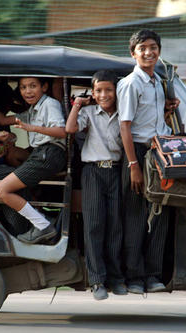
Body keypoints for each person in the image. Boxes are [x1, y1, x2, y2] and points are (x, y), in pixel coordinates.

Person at [117, 29, 179, 294]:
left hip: (160, 154)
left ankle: (153, 276)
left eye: (153, 47)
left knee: (162, 214)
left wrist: (168, 110)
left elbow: (154, 120)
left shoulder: (158, 82)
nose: (149, 52)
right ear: (133, 53)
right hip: (138, 155)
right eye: (143, 48)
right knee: (135, 217)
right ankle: (133, 277)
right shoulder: (131, 83)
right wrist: (133, 166)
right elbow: (125, 127)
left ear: (159, 51)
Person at [66, 70, 126, 301]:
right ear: (93, 92)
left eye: (108, 90)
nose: (103, 94)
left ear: (116, 91)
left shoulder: (124, 113)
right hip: (92, 172)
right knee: (94, 225)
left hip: (116, 171)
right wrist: (77, 105)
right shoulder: (89, 113)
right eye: (98, 90)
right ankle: (97, 280)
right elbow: (70, 129)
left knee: (115, 226)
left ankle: (116, 278)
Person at [0, 77, 67, 244]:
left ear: (44, 87)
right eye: (23, 87)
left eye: (33, 86)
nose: (28, 91)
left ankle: (43, 225)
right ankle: (42, 219)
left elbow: (62, 131)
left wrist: (31, 128)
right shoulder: (32, 110)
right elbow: (3, 121)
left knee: (1, 190)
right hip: (40, 153)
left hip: (50, 153)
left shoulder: (50, 104)